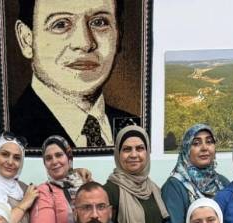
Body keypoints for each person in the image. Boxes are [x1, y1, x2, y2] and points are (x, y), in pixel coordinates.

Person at [10, 0, 139, 148]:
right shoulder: (12, 132)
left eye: (99, 22)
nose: (84, 43)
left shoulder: (135, 127)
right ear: (26, 40)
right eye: (61, 24)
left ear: (119, 33)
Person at [161, 124, 231, 223]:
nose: (204, 148)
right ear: (186, 148)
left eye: (209, 142)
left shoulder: (222, 183)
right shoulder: (175, 186)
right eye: (196, 143)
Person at [31, 135, 86, 223]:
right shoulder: (44, 191)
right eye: (48, 158)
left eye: (59, 155)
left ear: (69, 157)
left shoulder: (84, 185)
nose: (54, 161)